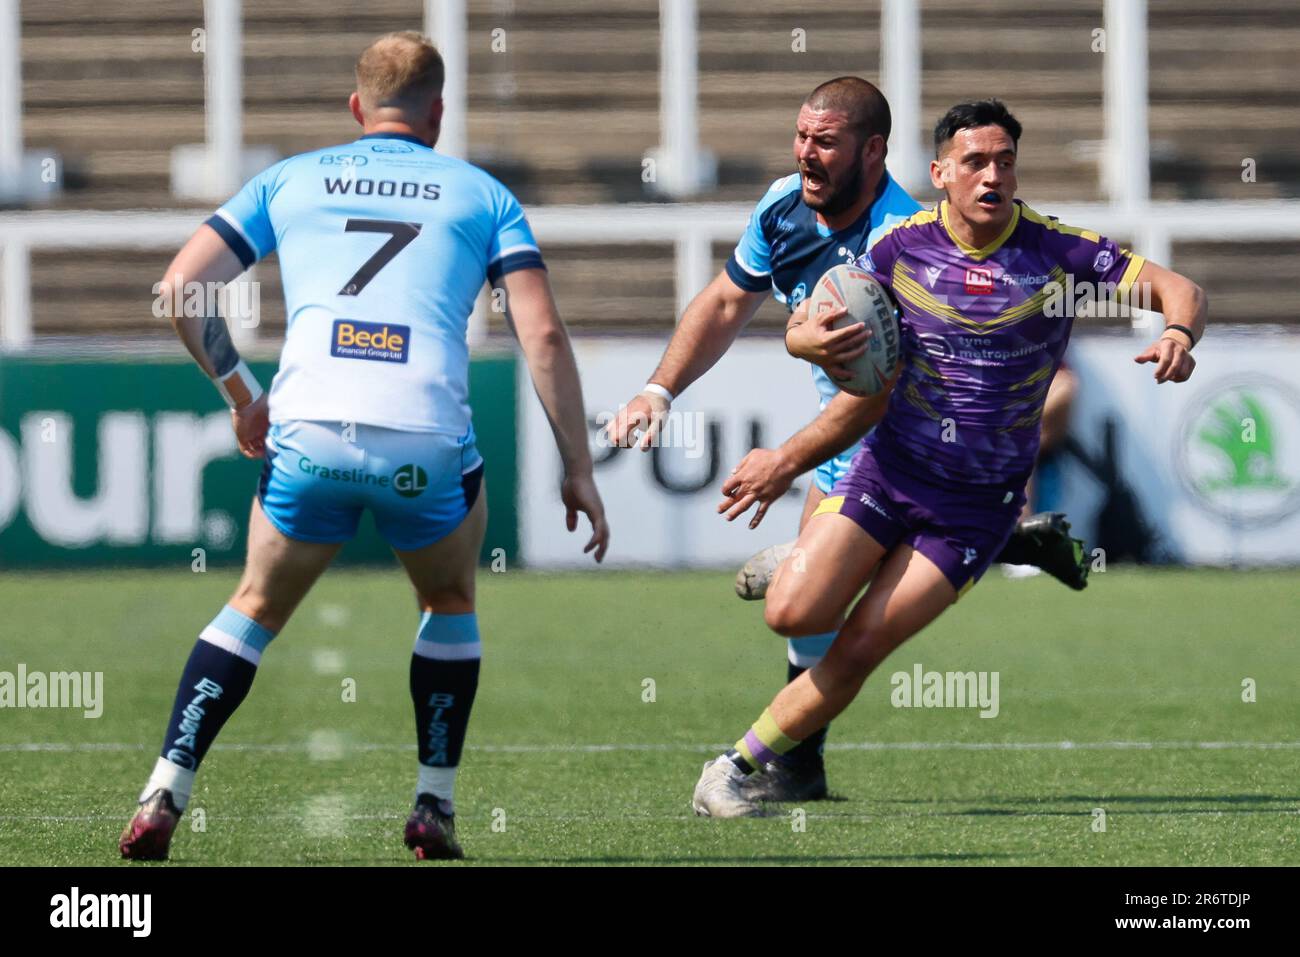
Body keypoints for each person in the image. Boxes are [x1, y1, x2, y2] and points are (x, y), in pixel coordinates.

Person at [119, 32, 608, 860]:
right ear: (440, 112)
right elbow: (546, 338)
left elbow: (180, 287)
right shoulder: (483, 195)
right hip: (424, 437)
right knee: (449, 601)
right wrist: (579, 465)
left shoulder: (291, 178)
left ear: (356, 107)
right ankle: (433, 804)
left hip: (308, 432)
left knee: (254, 606)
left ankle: (167, 787)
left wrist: (243, 396)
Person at [691, 98, 1205, 817]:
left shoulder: (1059, 252)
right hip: (889, 472)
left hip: (972, 508)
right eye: (975, 162)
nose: (993, 175)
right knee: (790, 612)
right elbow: (812, 317)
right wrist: (804, 340)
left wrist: (1179, 331)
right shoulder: (900, 247)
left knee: (862, 644)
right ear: (941, 173)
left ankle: (731, 770)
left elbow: (1181, 288)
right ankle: (830, 557)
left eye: (1005, 161)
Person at [606, 79, 1085, 804]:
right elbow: (728, 301)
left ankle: (784, 763)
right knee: (803, 613)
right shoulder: (782, 208)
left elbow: (880, 396)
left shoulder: (911, 243)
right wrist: (660, 389)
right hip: (843, 441)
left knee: (824, 616)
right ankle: (1002, 543)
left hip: (897, 449)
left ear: (871, 151)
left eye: (823, 142)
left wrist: (785, 460)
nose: (805, 153)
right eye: (801, 136)